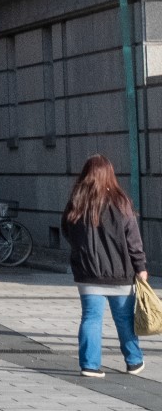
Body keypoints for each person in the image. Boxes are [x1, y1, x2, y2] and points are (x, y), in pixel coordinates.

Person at [62, 155, 148, 378]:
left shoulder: (77, 202)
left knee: (90, 318)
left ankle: (89, 364)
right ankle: (134, 360)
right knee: (125, 319)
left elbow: (67, 232)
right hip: (120, 273)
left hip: (88, 274)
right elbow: (133, 240)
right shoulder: (121, 203)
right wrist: (140, 267)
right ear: (109, 175)